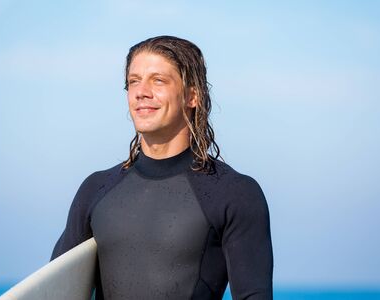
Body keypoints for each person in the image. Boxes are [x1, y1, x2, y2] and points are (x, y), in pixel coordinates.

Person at [51, 35, 273, 299]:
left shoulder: (234, 193)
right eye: (133, 81)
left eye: (158, 80)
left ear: (192, 96)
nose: (141, 91)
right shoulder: (96, 189)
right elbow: (55, 289)